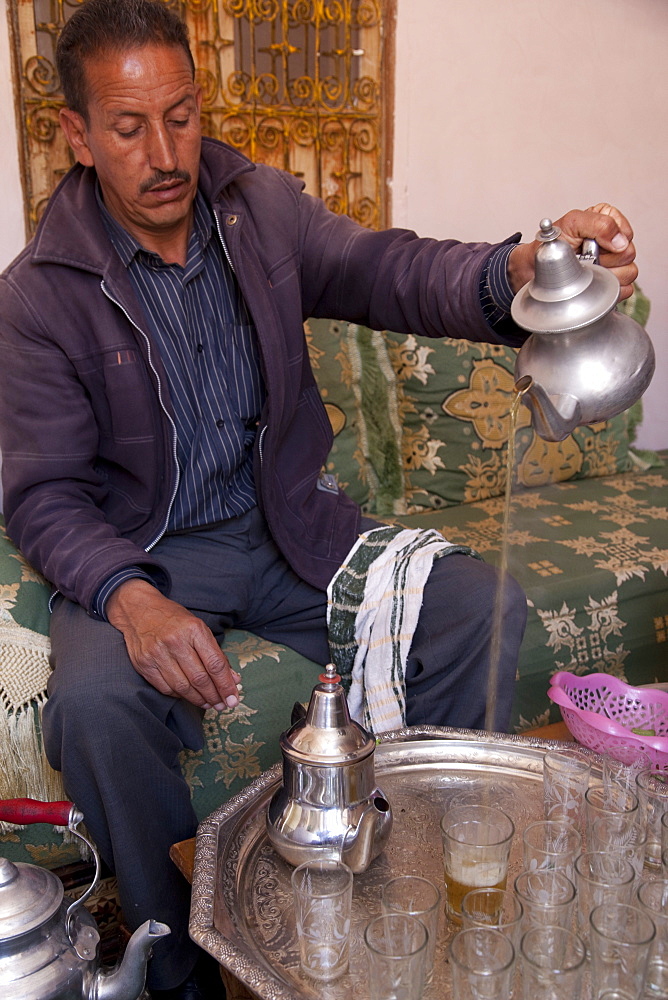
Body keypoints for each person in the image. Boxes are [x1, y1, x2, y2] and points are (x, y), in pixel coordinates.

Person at [0, 1, 638, 996]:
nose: (166, 152)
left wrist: (514, 270)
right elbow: (42, 495)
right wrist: (129, 597)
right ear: (77, 136)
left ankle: (406, 891)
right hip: (149, 554)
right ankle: (181, 967)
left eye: (181, 114)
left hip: (289, 523)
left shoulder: (257, 206)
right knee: (92, 706)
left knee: (479, 607)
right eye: (129, 128)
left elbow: (383, 270)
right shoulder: (37, 295)